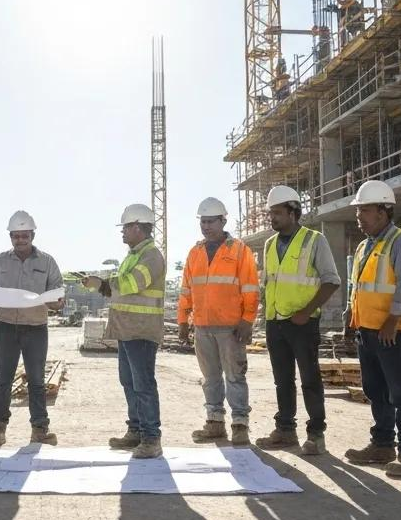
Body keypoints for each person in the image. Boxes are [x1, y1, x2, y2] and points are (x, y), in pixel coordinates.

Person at [341, 180, 401, 477]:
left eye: (364, 210)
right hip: (368, 330)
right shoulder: (365, 246)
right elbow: (360, 285)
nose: (359, 216)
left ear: (383, 211)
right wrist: (352, 313)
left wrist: (393, 320)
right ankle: (382, 445)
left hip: (394, 332)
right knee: (375, 390)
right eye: (358, 211)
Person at [255, 185, 343, 456]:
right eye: (271, 213)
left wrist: (307, 310)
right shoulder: (269, 245)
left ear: (293, 212)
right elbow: (269, 284)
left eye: (278, 213)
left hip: (302, 323)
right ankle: (285, 429)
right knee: (282, 380)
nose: (273, 218)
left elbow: (332, 281)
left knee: (309, 379)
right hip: (275, 322)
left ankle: (316, 434)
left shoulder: (314, 240)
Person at [81, 204, 166, 459]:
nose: (123, 233)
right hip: (128, 330)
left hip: (141, 330)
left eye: (125, 228)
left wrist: (104, 282)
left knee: (143, 384)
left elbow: (133, 284)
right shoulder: (133, 254)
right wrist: (100, 286)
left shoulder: (151, 255)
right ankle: (136, 430)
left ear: (138, 227)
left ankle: (151, 438)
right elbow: (119, 290)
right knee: (129, 382)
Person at [0, 210, 64, 447]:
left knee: (36, 381)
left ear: (32, 235)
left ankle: (40, 429)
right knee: (3, 380)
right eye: (16, 236)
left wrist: (57, 302)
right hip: (6, 328)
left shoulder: (47, 262)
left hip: (36, 327)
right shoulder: (0, 262)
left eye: (24, 235)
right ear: (11, 236)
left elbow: (58, 295)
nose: (20, 240)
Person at [178, 197, 259, 446]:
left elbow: (250, 288)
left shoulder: (239, 250)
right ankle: (214, 423)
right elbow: (186, 290)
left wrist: (247, 320)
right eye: (203, 221)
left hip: (231, 327)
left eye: (211, 221)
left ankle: (240, 424)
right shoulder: (195, 252)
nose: (206, 226)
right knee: (211, 377)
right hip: (202, 326)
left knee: (235, 376)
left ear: (223, 221)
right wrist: (183, 321)